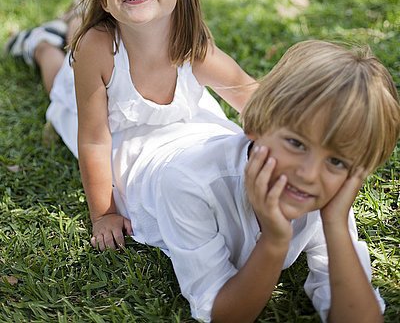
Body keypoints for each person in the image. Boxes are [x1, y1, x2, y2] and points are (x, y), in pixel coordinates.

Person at [5, 0, 255, 251]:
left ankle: (70, 18)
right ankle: (40, 46)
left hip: (166, 127)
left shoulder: (192, 46)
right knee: (59, 85)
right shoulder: (96, 48)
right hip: (103, 115)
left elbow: (253, 97)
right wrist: (103, 213)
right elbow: (94, 140)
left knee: (77, 39)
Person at [111, 40, 399, 323]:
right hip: (133, 149)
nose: (309, 174)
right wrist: (274, 241)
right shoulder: (188, 184)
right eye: (296, 144)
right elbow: (221, 313)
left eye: (336, 162)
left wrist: (335, 224)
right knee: (71, 86)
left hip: (206, 130)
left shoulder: (324, 194)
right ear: (257, 126)